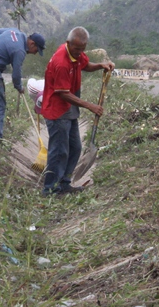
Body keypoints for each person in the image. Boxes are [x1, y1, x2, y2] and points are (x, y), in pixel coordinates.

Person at [39, 27, 114, 195]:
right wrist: (90, 105)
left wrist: (101, 65)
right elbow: (63, 94)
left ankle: (64, 183)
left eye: (83, 49)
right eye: (77, 49)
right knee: (59, 151)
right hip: (57, 111)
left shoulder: (76, 54)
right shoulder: (61, 62)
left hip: (69, 110)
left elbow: (85, 65)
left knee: (75, 148)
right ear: (68, 43)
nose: (80, 52)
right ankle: (50, 188)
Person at [0, 28, 46, 142]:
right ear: (32, 43)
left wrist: (0, 48)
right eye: (36, 50)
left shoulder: (14, 32)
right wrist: (19, 87)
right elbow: (16, 75)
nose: (34, 53)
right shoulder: (19, 51)